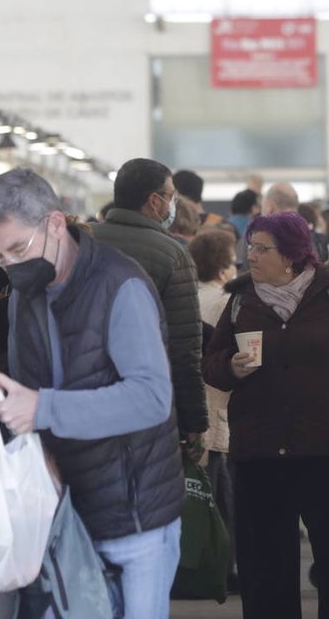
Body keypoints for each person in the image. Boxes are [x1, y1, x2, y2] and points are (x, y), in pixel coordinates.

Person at [0, 168, 184, 619]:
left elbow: (150, 398)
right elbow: (29, 384)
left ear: (54, 223)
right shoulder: (22, 294)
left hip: (134, 520)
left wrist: (44, 408)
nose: (9, 265)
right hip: (61, 513)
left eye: (17, 249)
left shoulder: (120, 286)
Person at [202, 212, 329, 619]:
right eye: (249, 246)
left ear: (291, 255)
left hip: (326, 447)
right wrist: (230, 368)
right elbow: (211, 362)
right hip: (260, 452)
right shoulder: (240, 300)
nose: (249, 255)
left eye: (261, 248)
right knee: (264, 567)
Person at [90, 158, 209, 449]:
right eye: (171, 196)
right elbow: (183, 347)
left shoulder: (82, 242)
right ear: (155, 202)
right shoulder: (173, 256)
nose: (173, 204)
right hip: (144, 405)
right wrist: (193, 421)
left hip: (81, 397)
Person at [187, 228, 240, 590]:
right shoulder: (227, 303)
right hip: (221, 406)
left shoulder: (187, 297)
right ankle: (224, 567)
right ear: (223, 268)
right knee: (224, 497)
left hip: (193, 405)